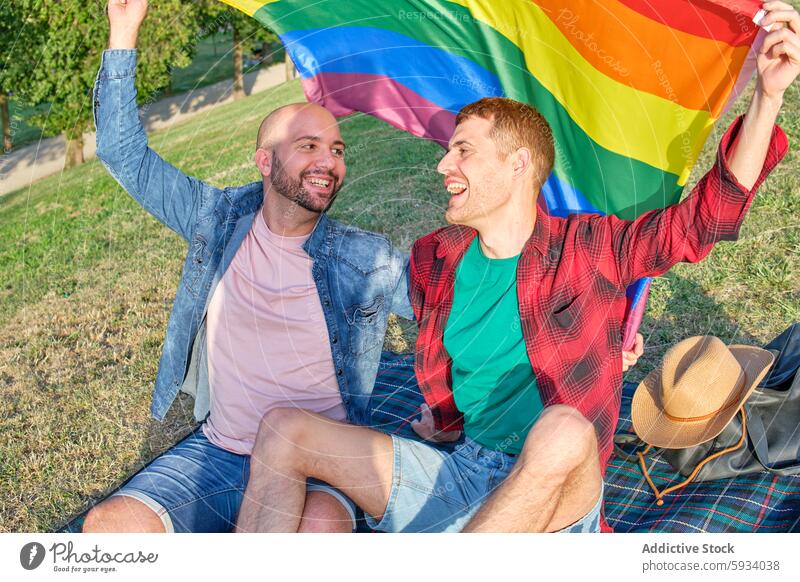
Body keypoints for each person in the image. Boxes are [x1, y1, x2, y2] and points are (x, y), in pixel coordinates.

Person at [234, 1, 799, 533]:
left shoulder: (590, 249)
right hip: (462, 473)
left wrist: (768, 96)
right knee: (283, 430)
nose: (441, 165)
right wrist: (444, 419)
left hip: (557, 500)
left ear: (518, 163)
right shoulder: (437, 257)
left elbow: (705, 219)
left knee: (561, 429)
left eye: (462, 151)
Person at [82, 0, 414, 533]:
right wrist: (124, 30)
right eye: (309, 146)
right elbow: (123, 153)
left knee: (319, 534)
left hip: (321, 464)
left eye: (337, 149)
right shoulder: (212, 219)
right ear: (265, 161)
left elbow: (445, 299)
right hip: (224, 453)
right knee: (107, 530)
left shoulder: (363, 257)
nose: (329, 162)